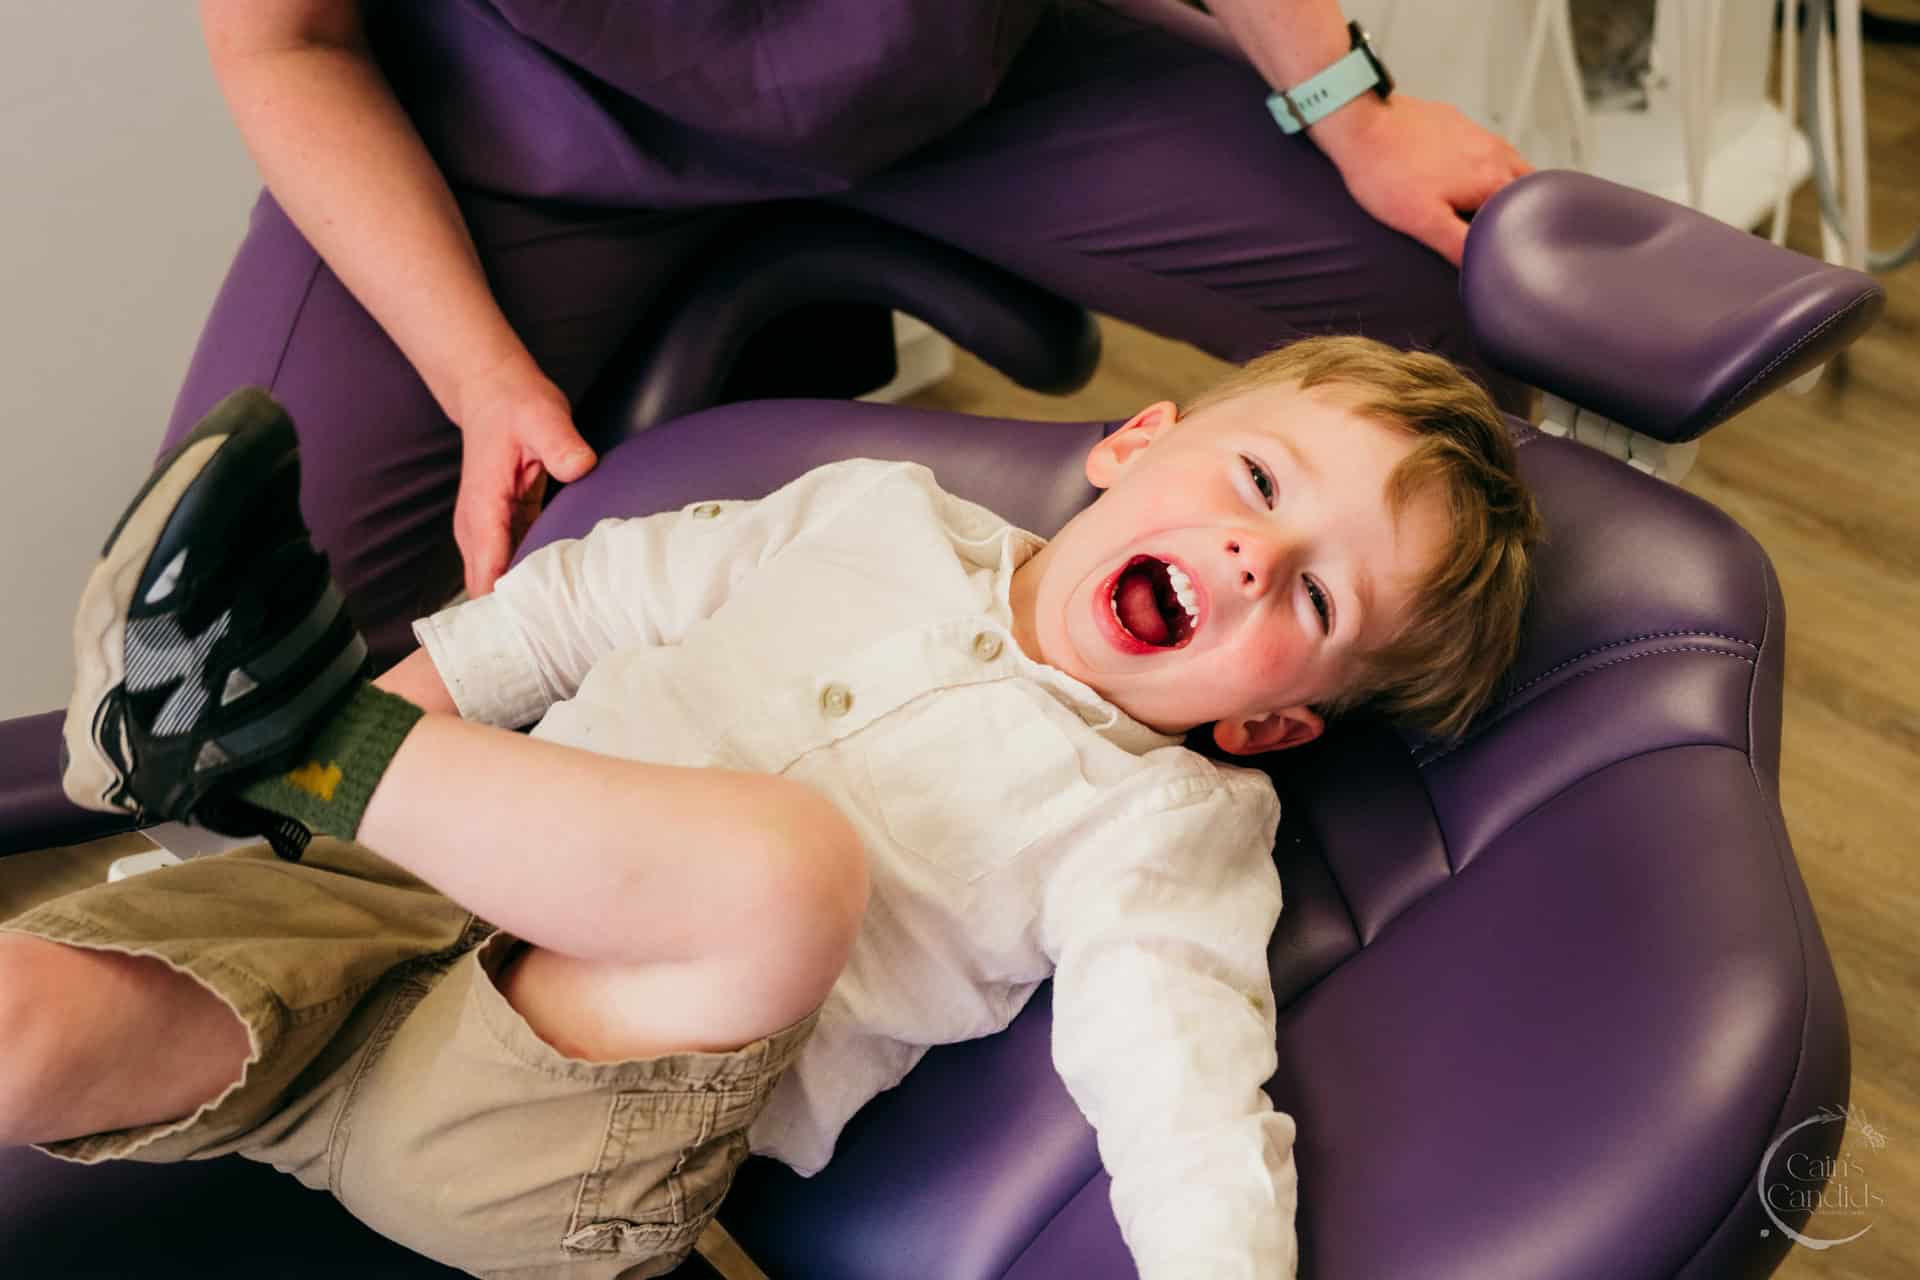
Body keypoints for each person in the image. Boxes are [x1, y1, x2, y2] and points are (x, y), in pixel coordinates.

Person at [5, 336, 1541, 1278]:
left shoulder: (1163, 824)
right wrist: (408, 709)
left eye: (1315, 593)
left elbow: (1184, 1092)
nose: (1255, 558)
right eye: (1258, 484)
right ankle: (279, 766)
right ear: (1138, 446)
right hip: (367, 915)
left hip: (553, 1127)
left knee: (778, 869)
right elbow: (580, 608)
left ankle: (272, 741)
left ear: (1269, 720)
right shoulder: (870, 511)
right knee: (30, 1017)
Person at [180, 0, 1533, 670]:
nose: (1251, 553)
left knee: (1463, 318)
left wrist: (1352, 108)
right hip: (512, 142)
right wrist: (479, 376)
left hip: (959, 73)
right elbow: (284, 42)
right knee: (229, 632)